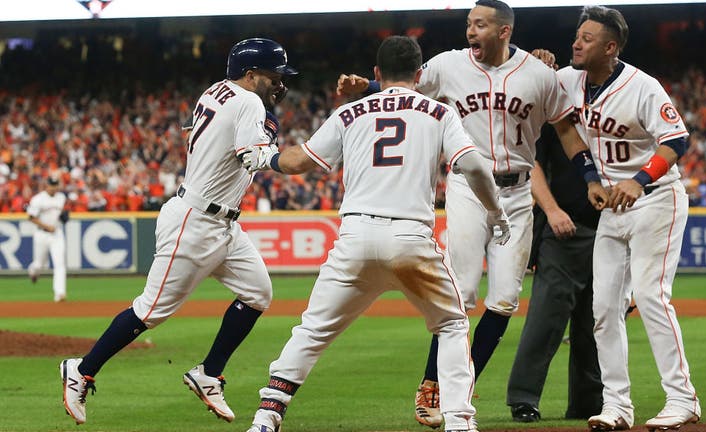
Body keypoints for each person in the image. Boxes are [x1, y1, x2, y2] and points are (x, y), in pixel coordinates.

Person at [336, 1, 608, 427]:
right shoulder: (447, 66)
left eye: (480, 24)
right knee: (458, 295)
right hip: (466, 187)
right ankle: (434, 386)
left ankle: (456, 386)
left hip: (518, 195)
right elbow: (404, 92)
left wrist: (590, 176)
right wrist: (367, 88)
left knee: (503, 301)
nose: (470, 30)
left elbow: (566, 128)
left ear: (503, 31)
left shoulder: (539, 74)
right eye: (468, 23)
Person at [243, 35, 510, 432]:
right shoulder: (438, 112)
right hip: (410, 239)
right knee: (452, 325)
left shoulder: (351, 112)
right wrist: (497, 211)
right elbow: (472, 165)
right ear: (420, 74)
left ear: (377, 74)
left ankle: (267, 415)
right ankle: (458, 422)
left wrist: (264, 158)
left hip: (356, 237)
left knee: (313, 330)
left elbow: (301, 160)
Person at [59, 37, 297, 425]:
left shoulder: (216, 91)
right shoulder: (250, 101)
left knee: (257, 293)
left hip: (221, 222)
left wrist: (262, 125)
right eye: (274, 76)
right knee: (150, 310)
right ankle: (81, 370)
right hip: (196, 220)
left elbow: (206, 132)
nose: (280, 83)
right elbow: (252, 156)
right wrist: (285, 158)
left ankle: (208, 373)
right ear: (251, 74)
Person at [556, 6, 701, 431]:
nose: (576, 43)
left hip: (656, 198)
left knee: (653, 296)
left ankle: (682, 399)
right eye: (577, 35)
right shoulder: (569, 80)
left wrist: (639, 179)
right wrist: (589, 177)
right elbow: (565, 128)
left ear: (610, 47)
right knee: (603, 309)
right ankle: (617, 405)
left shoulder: (642, 86)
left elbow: (677, 138)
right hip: (613, 208)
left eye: (586, 38)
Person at [506, 124, 603, 423]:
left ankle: (589, 403)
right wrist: (551, 210)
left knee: (596, 322)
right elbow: (530, 161)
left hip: (611, 228)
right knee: (546, 317)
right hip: (565, 227)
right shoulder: (556, 107)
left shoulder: (616, 104)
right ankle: (523, 397)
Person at [27, 175, 68, 302]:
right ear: (47, 185)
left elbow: (62, 214)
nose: (54, 187)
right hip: (42, 234)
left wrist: (64, 217)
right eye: (52, 185)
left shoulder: (61, 197)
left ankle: (59, 294)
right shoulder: (38, 199)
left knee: (59, 263)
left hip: (57, 234)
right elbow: (31, 217)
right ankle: (33, 272)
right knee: (40, 265)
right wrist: (46, 226)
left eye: (56, 185)